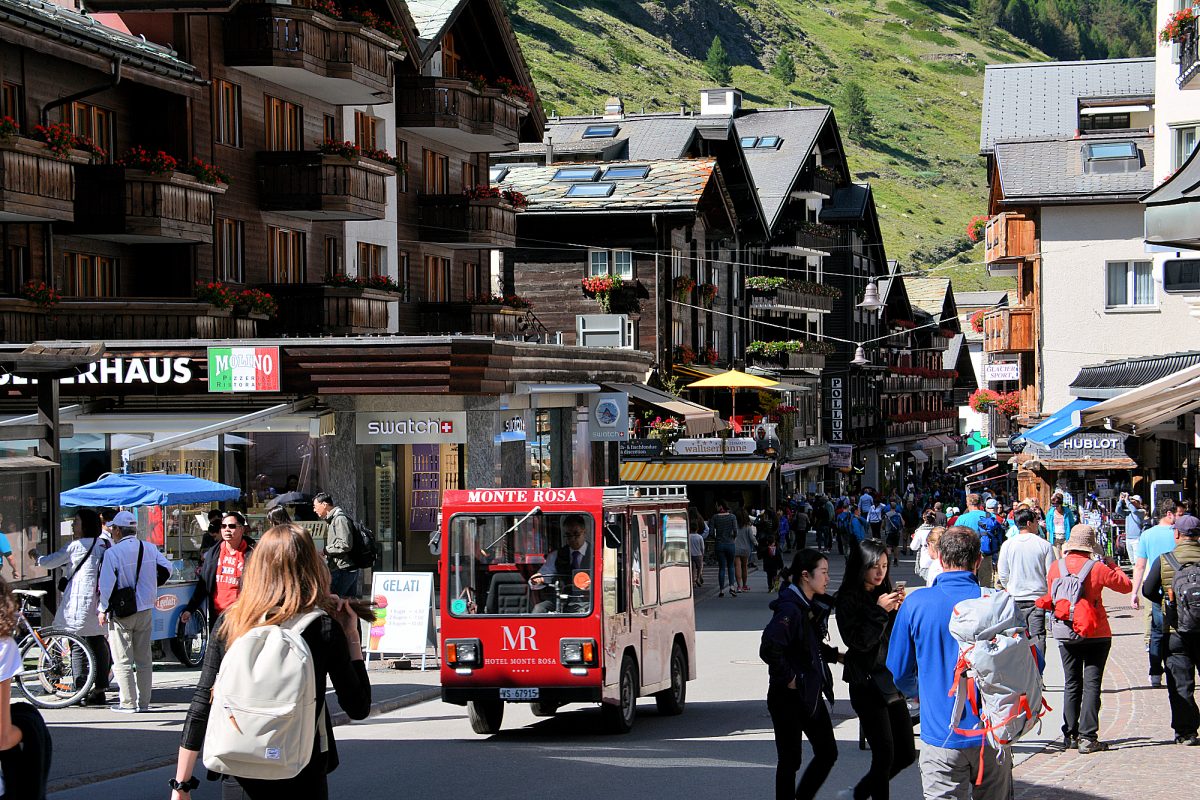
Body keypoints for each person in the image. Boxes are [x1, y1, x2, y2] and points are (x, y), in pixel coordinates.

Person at [172, 525, 372, 800]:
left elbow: (201, 701)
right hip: (302, 770)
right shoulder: (323, 628)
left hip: (239, 769)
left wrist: (181, 784)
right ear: (311, 568)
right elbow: (358, 707)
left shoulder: (231, 622)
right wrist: (351, 635)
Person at [887, 526, 1011, 800]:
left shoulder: (916, 603)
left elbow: (897, 670)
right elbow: (1029, 664)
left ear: (940, 559)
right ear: (979, 560)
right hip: (992, 731)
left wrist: (922, 691)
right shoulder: (999, 603)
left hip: (940, 730)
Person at [1035, 524, 1131, 753]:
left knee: (1072, 682)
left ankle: (1070, 734)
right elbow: (1126, 586)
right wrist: (1110, 561)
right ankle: (1089, 736)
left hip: (1065, 630)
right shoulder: (1097, 567)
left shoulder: (1055, 568)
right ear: (1090, 546)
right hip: (1095, 631)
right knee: (1092, 684)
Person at [835, 539, 914, 800]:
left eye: (884, 565)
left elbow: (895, 639)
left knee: (905, 754)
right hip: (866, 683)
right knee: (884, 754)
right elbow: (858, 642)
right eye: (874, 566)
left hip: (890, 679)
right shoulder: (848, 598)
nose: (880, 572)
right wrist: (880, 611)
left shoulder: (884, 592)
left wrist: (899, 612)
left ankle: (858, 793)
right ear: (860, 567)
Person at [760, 549, 841, 800]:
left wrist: (836, 656)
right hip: (788, 696)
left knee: (827, 752)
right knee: (790, 761)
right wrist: (790, 678)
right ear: (806, 576)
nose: (828, 578)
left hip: (809, 692)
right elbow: (769, 648)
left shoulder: (807, 605)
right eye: (824, 573)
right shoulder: (790, 609)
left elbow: (807, 645)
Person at [31, 508, 111, 706]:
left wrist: (37, 556)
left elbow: (50, 563)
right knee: (98, 643)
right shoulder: (103, 544)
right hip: (98, 601)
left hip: (79, 602)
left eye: (76, 521)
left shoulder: (76, 546)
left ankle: (79, 688)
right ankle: (100, 688)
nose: (73, 525)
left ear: (85, 525)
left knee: (75, 643)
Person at [97, 511, 173, 712]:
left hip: (122, 612)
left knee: (122, 659)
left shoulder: (112, 553)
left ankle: (128, 702)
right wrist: (151, 585)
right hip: (146, 608)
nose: (112, 532)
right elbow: (168, 568)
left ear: (118, 530)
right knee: (144, 659)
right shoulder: (149, 548)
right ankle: (145, 702)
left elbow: (105, 586)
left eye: (114, 528)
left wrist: (102, 609)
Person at [1141, 513, 1200, 745]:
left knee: (1180, 683)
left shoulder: (1166, 560)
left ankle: (1186, 731)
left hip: (1176, 630)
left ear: (1177, 534)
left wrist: (1167, 601)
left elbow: (1147, 590)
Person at [181, 512, 257, 633]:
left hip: (243, 617)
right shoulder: (213, 553)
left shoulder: (254, 553)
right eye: (223, 526)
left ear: (242, 529)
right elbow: (204, 584)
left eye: (231, 526)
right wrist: (190, 609)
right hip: (218, 617)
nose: (227, 529)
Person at [997, 508, 1054, 659]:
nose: (1038, 525)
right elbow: (1051, 574)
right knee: (1038, 636)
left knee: (1017, 636)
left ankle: (1022, 672)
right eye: (1036, 521)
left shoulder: (1008, 545)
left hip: (1015, 597)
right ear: (1029, 523)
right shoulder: (1044, 545)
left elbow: (1003, 573)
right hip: (1037, 598)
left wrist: (1009, 586)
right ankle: (1039, 669)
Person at [1132, 507, 1179, 687]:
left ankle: (1155, 673)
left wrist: (1134, 592)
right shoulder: (1178, 534)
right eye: (1179, 513)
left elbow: (1139, 566)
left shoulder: (1147, 535)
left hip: (1156, 589)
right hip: (1178, 588)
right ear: (1169, 513)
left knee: (1157, 633)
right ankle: (1175, 669)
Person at [313, 493, 358, 598]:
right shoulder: (333, 519)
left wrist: (325, 551)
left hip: (343, 568)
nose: (314, 510)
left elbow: (345, 544)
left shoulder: (339, 519)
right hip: (342, 567)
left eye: (315, 506)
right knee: (346, 602)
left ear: (324, 505)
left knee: (335, 601)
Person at [709, 502, 738, 597]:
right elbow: (735, 531)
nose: (716, 507)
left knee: (721, 567)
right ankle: (732, 587)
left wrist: (717, 538)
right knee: (731, 566)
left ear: (721, 506)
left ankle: (721, 590)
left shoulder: (714, 517)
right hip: (730, 544)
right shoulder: (732, 517)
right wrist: (732, 538)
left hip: (719, 544)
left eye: (717, 505)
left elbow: (711, 532)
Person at [1045, 493, 1077, 558]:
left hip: (1065, 538)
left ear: (1061, 504)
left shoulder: (1067, 512)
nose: (1055, 507)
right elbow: (1048, 528)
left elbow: (1072, 524)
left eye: (1057, 505)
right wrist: (1048, 542)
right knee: (1057, 558)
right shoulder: (1050, 513)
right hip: (1055, 539)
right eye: (1054, 505)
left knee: (1065, 557)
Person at [735, 510, 757, 593]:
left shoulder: (735, 526)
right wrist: (756, 543)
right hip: (746, 549)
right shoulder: (747, 526)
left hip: (736, 548)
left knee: (737, 566)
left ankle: (739, 586)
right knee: (744, 566)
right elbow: (751, 538)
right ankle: (744, 585)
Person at [689, 522, 705, 587]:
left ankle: (692, 581)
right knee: (699, 567)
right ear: (697, 529)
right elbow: (702, 547)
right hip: (698, 554)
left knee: (692, 568)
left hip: (690, 554)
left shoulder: (688, 536)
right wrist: (703, 554)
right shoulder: (699, 537)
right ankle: (698, 578)